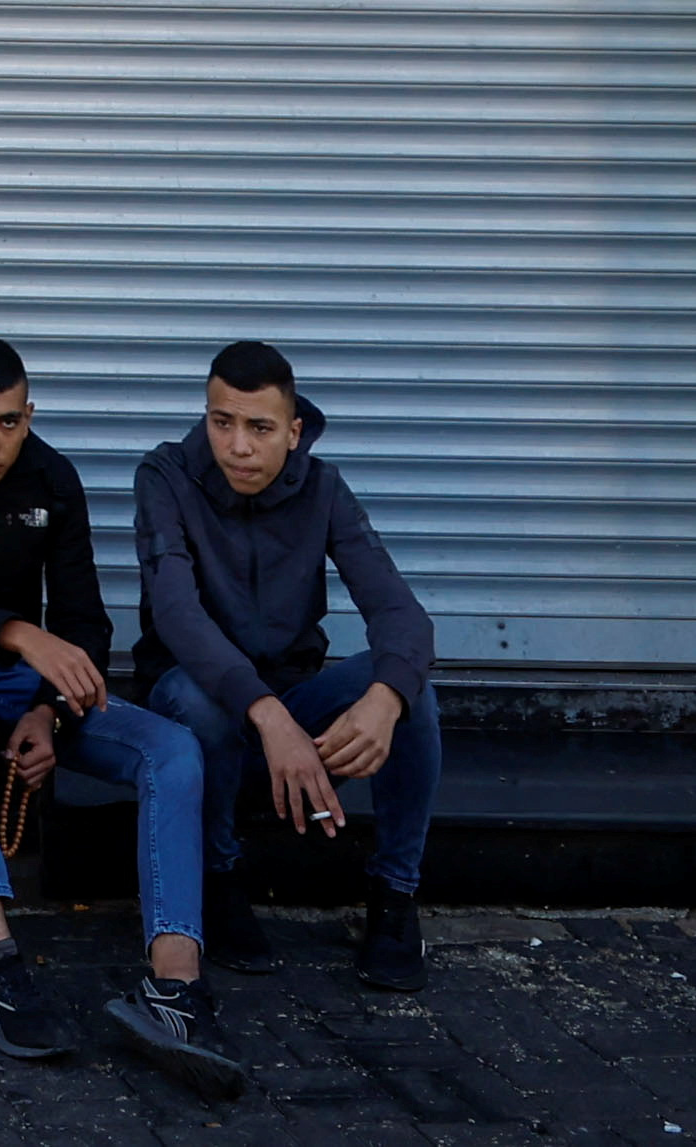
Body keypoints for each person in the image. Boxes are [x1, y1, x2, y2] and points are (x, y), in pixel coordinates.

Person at [95, 339, 441, 1088]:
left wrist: (384, 695)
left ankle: (394, 896)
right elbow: (179, 616)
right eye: (222, 422)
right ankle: (218, 878)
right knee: (199, 697)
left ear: (294, 431)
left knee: (409, 688)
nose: (237, 445)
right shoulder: (165, 475)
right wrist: (267, 713)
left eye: (258, 427)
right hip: (197, 706)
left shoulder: (323, 489)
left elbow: (402, 613)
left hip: (292, 700)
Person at [0, 331, 210, 1064]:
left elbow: (85, 622)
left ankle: (175, 989)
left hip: (22, 686)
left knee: (174, 749)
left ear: (30, 414)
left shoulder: (54, 479)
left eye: (8, 421)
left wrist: (49, 711)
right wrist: (22, 632)